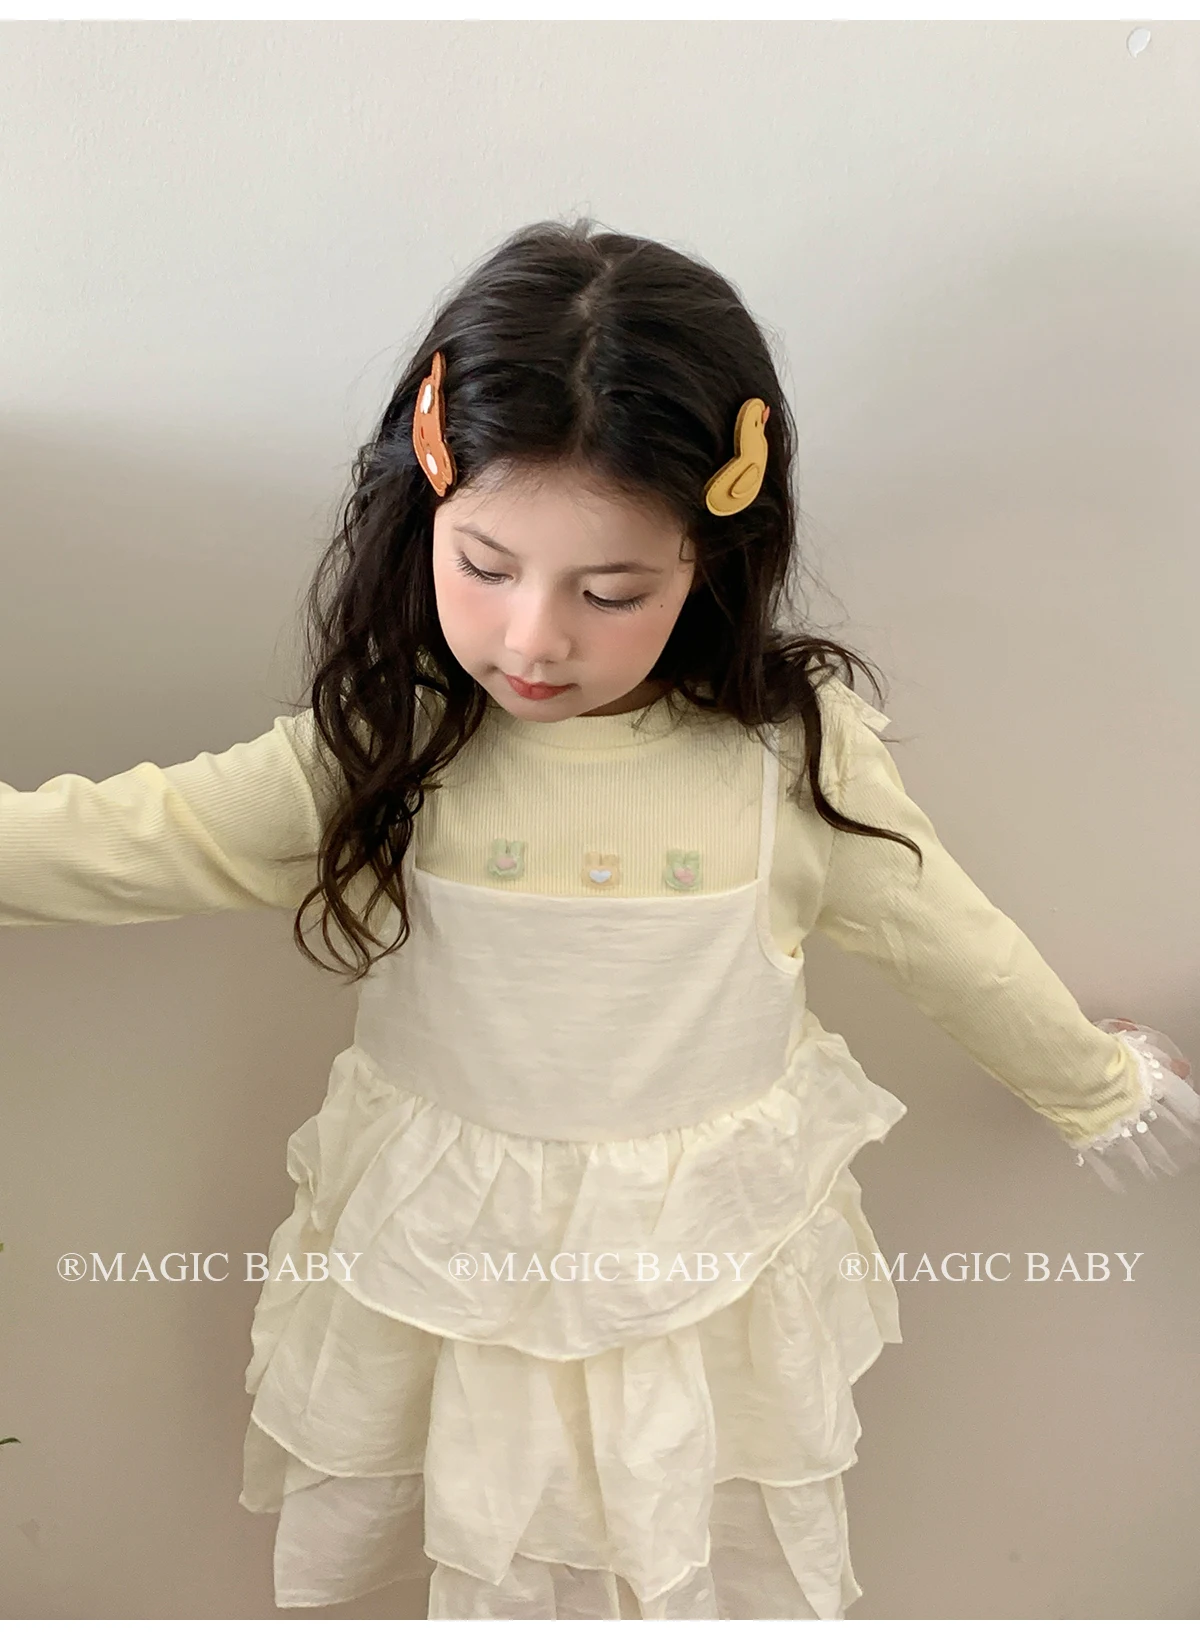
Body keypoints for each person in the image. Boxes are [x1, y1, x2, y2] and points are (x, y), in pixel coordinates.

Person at [2, 217, 1197, 1621]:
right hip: (450, 1273)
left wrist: (1094, 1085)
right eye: (484, 565)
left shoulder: (785, 762)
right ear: (422, 514)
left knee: (679, 1543)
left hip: (697, 1275)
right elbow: (124, 838)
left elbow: (947, 934)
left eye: (610, 591)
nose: (533, 638)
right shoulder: (391, 751)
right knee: (476, 1544)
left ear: (710, 562)